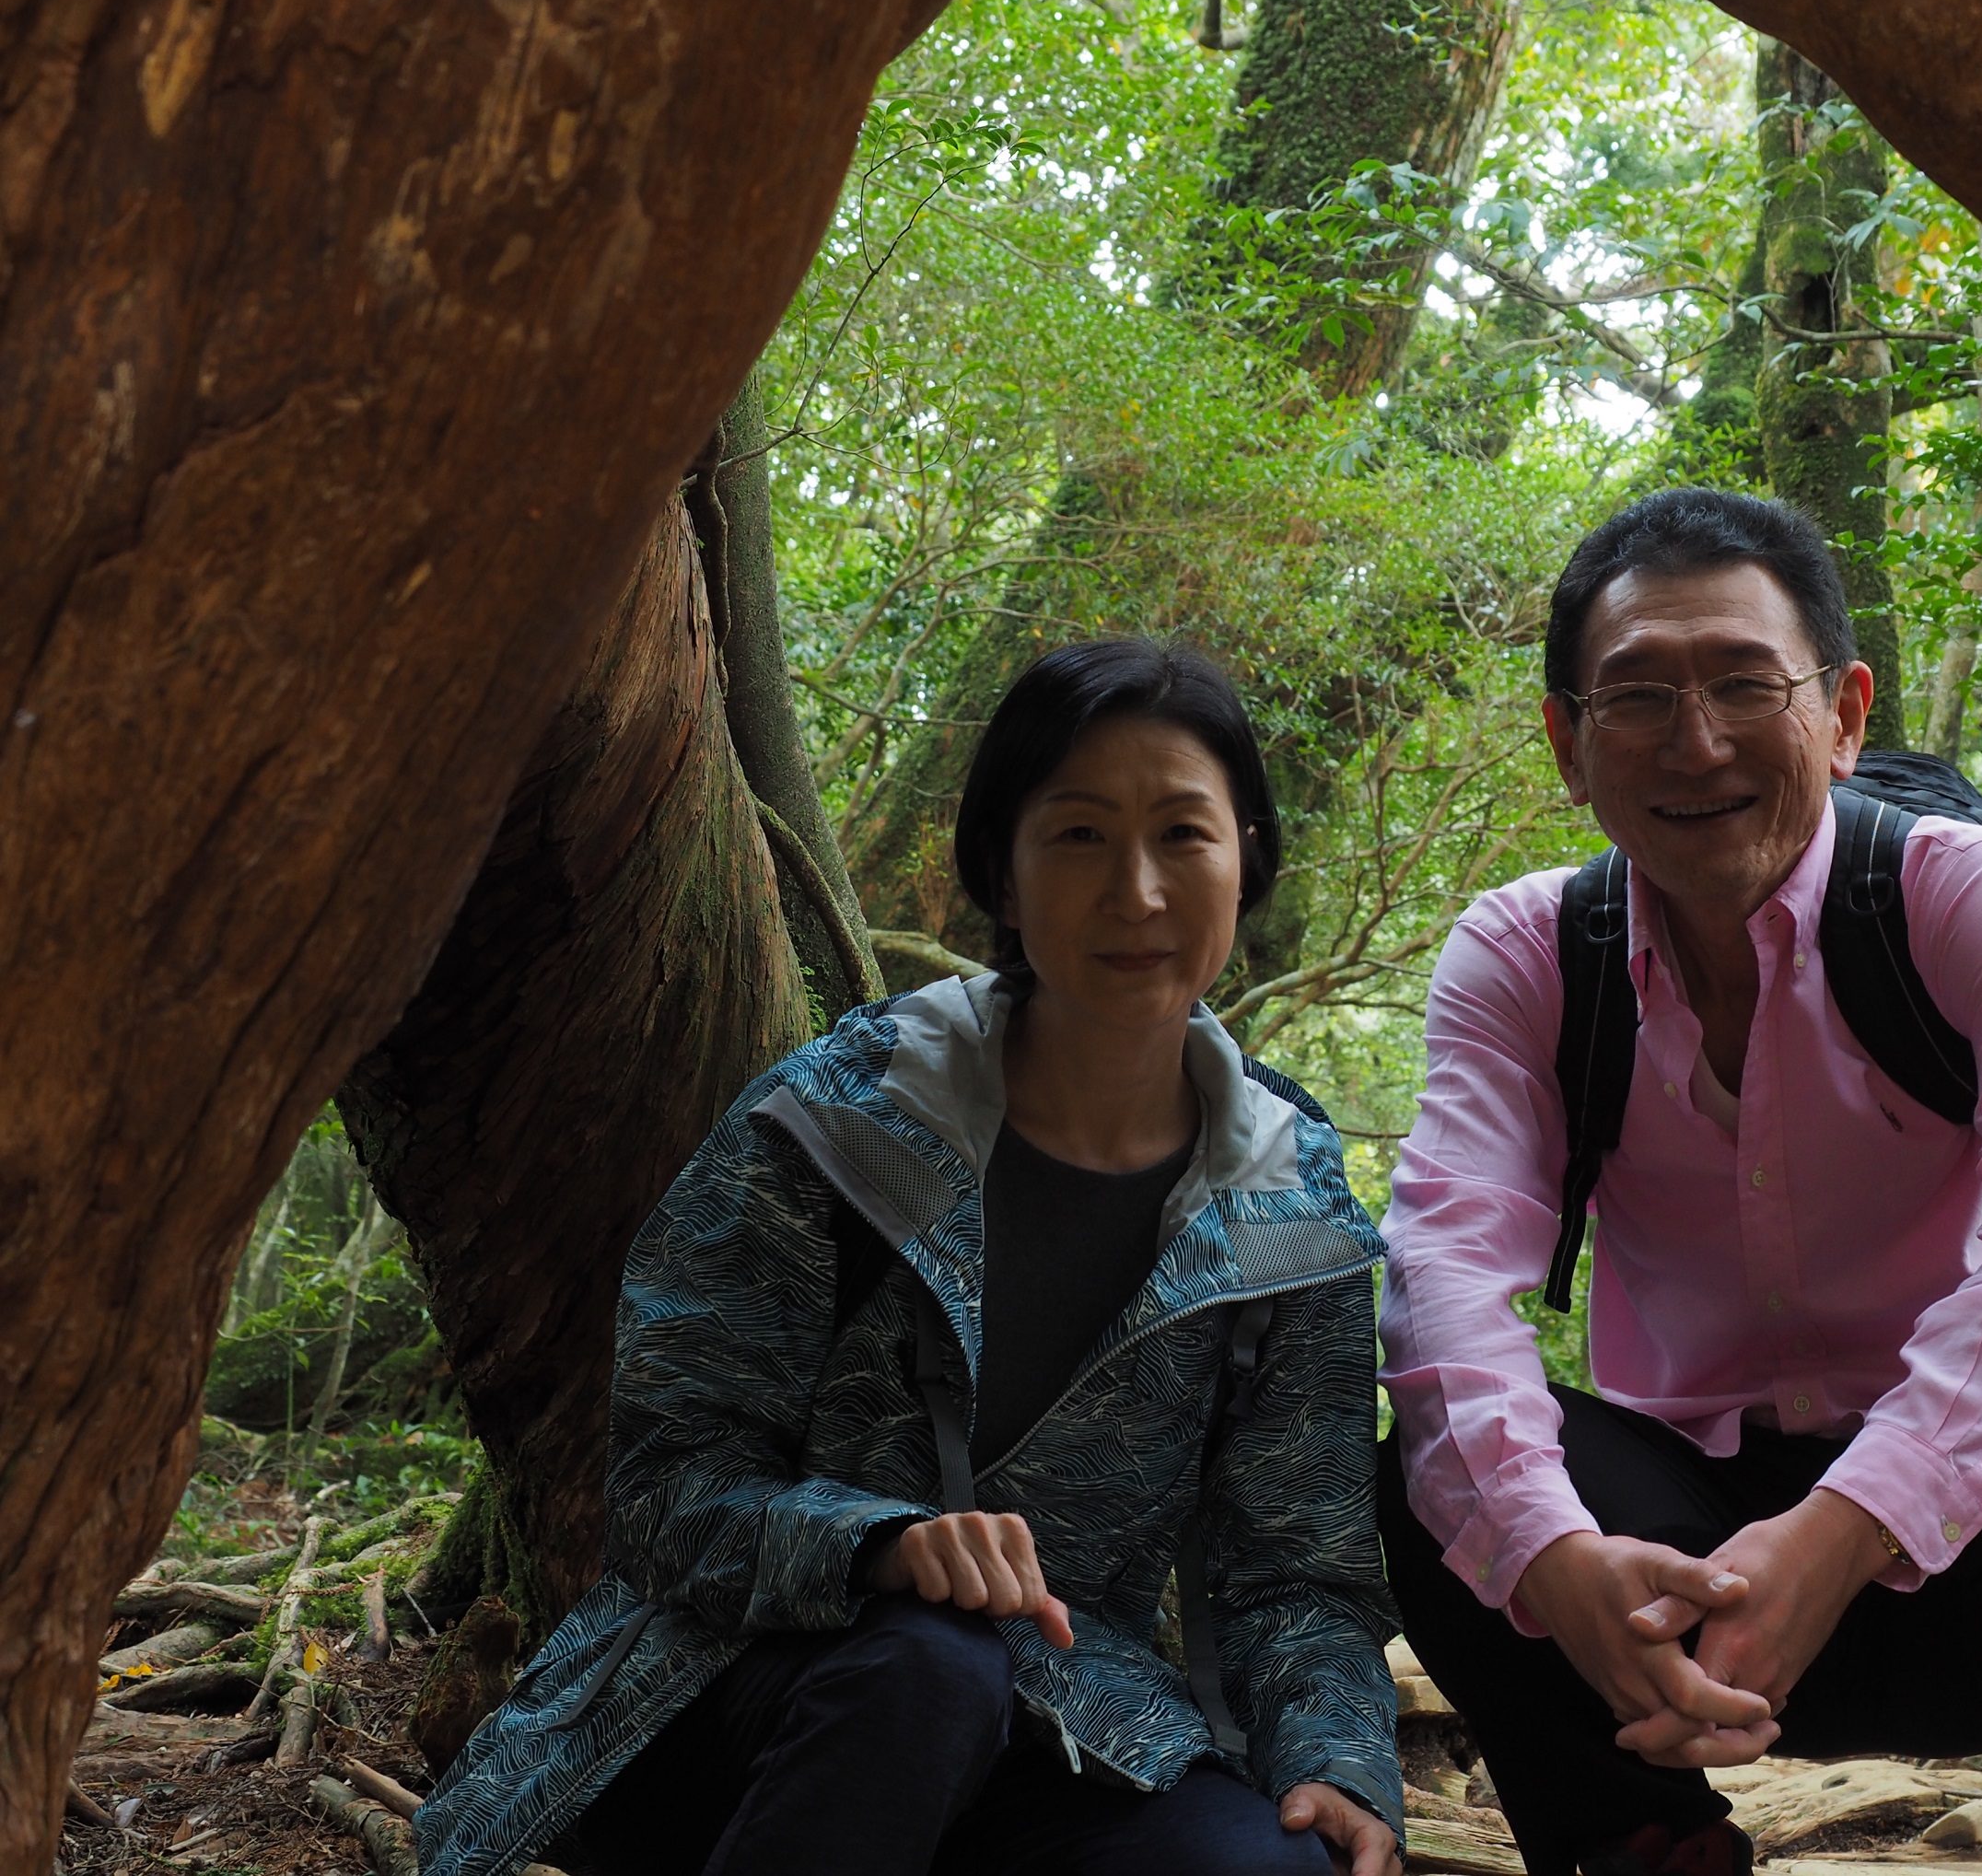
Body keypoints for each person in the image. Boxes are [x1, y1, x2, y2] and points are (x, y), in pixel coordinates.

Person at [417, 638, 1405, 1876]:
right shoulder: (845, 1117)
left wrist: (1339, 1761)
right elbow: (668, 1492)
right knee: (930, 1662)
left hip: (1064, 1716)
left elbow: (1295, 1570)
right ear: (1001, 868)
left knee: (1269, 1867)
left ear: (1248, 853)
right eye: (1082, 835)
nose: (1138, 891)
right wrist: (879, 1542)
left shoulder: (1286, 1195)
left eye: (1184, 835)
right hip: (723, 1702)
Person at [1376, 488, 1982, 1876]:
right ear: (1567, 742)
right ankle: (1650, 1846)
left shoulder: (1957, 893)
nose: (1695, 740)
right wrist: (1552, 1564)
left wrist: (1842, 1530)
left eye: (1744, 683)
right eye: (1637, 693)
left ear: (1844, 713)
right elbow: (1444, 1278)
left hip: (1970, 1551)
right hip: (1681, 1581)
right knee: (1428, 1475)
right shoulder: (1527, 956)